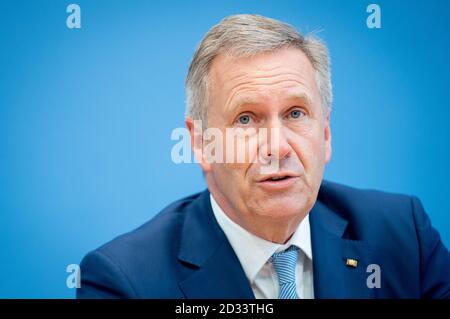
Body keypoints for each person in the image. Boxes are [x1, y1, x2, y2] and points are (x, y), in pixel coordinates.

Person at [77, 14, 450, 299]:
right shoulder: (125, 281)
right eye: (246, 119)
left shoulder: (403, 235)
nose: (278, 146)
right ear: (201, 144)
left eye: (295, 114)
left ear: (325, 132)